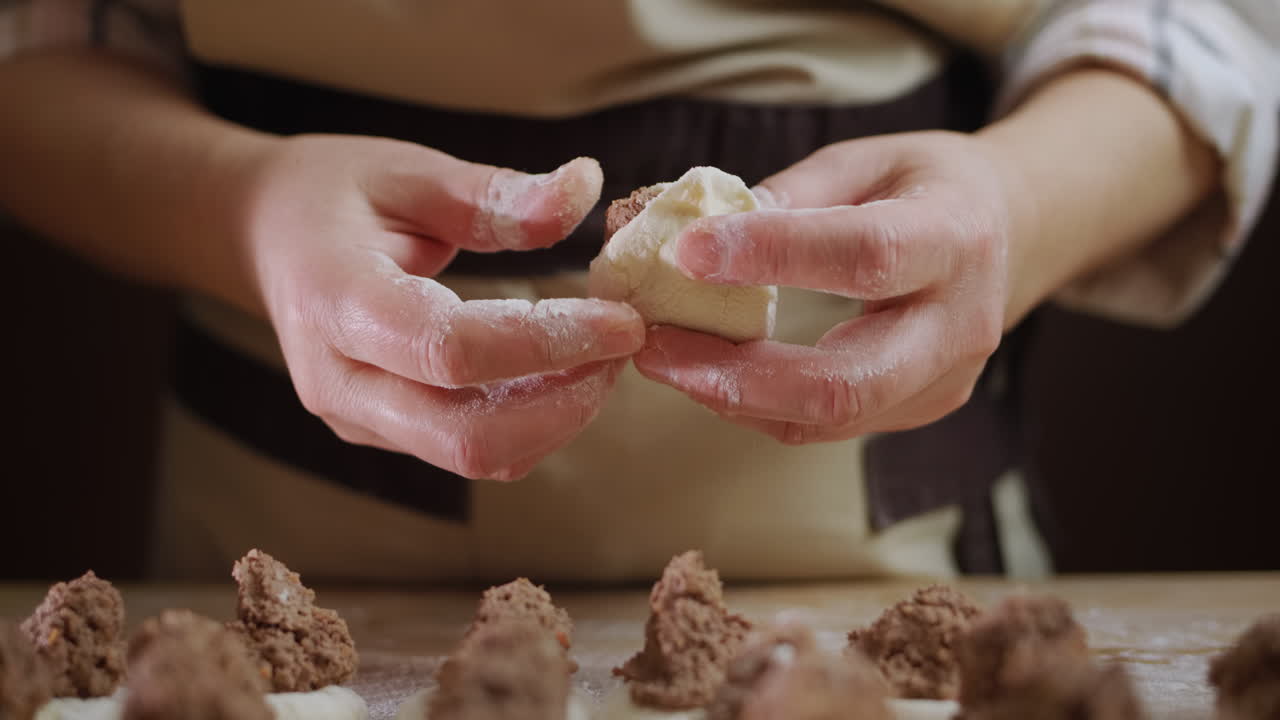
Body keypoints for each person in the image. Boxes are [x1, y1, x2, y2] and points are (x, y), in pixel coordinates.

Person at [0, 1, 1276, 583]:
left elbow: (1208, 26)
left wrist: (1016, 203)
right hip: (295, 566)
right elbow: (38, 49)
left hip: (875, 573)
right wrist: (241, 204)